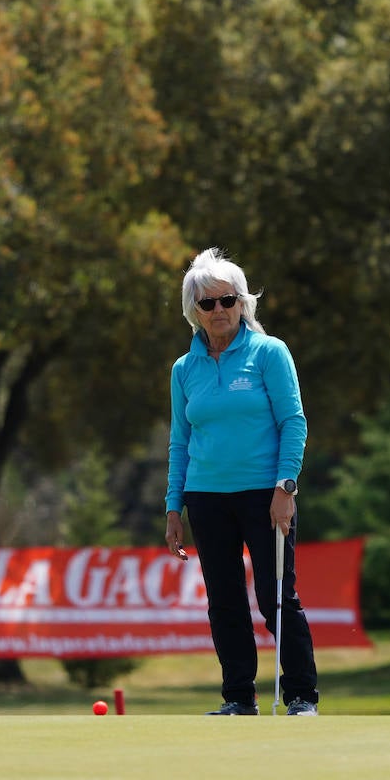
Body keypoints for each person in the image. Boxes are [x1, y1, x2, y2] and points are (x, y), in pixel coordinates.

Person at [164, 247, 320, 716]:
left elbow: (294, 422)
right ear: (194, 310)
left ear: (242, 302)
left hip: (265, 494)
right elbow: (179, 442)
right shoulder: (184, 369)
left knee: (276, 599)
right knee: (224, 601)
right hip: (206, 497)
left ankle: (300, 696)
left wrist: (285, 488)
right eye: (207, 304)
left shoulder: (269, 353)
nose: (218, 311)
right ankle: (238, 697)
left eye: (227, 300)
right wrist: (174, 507)